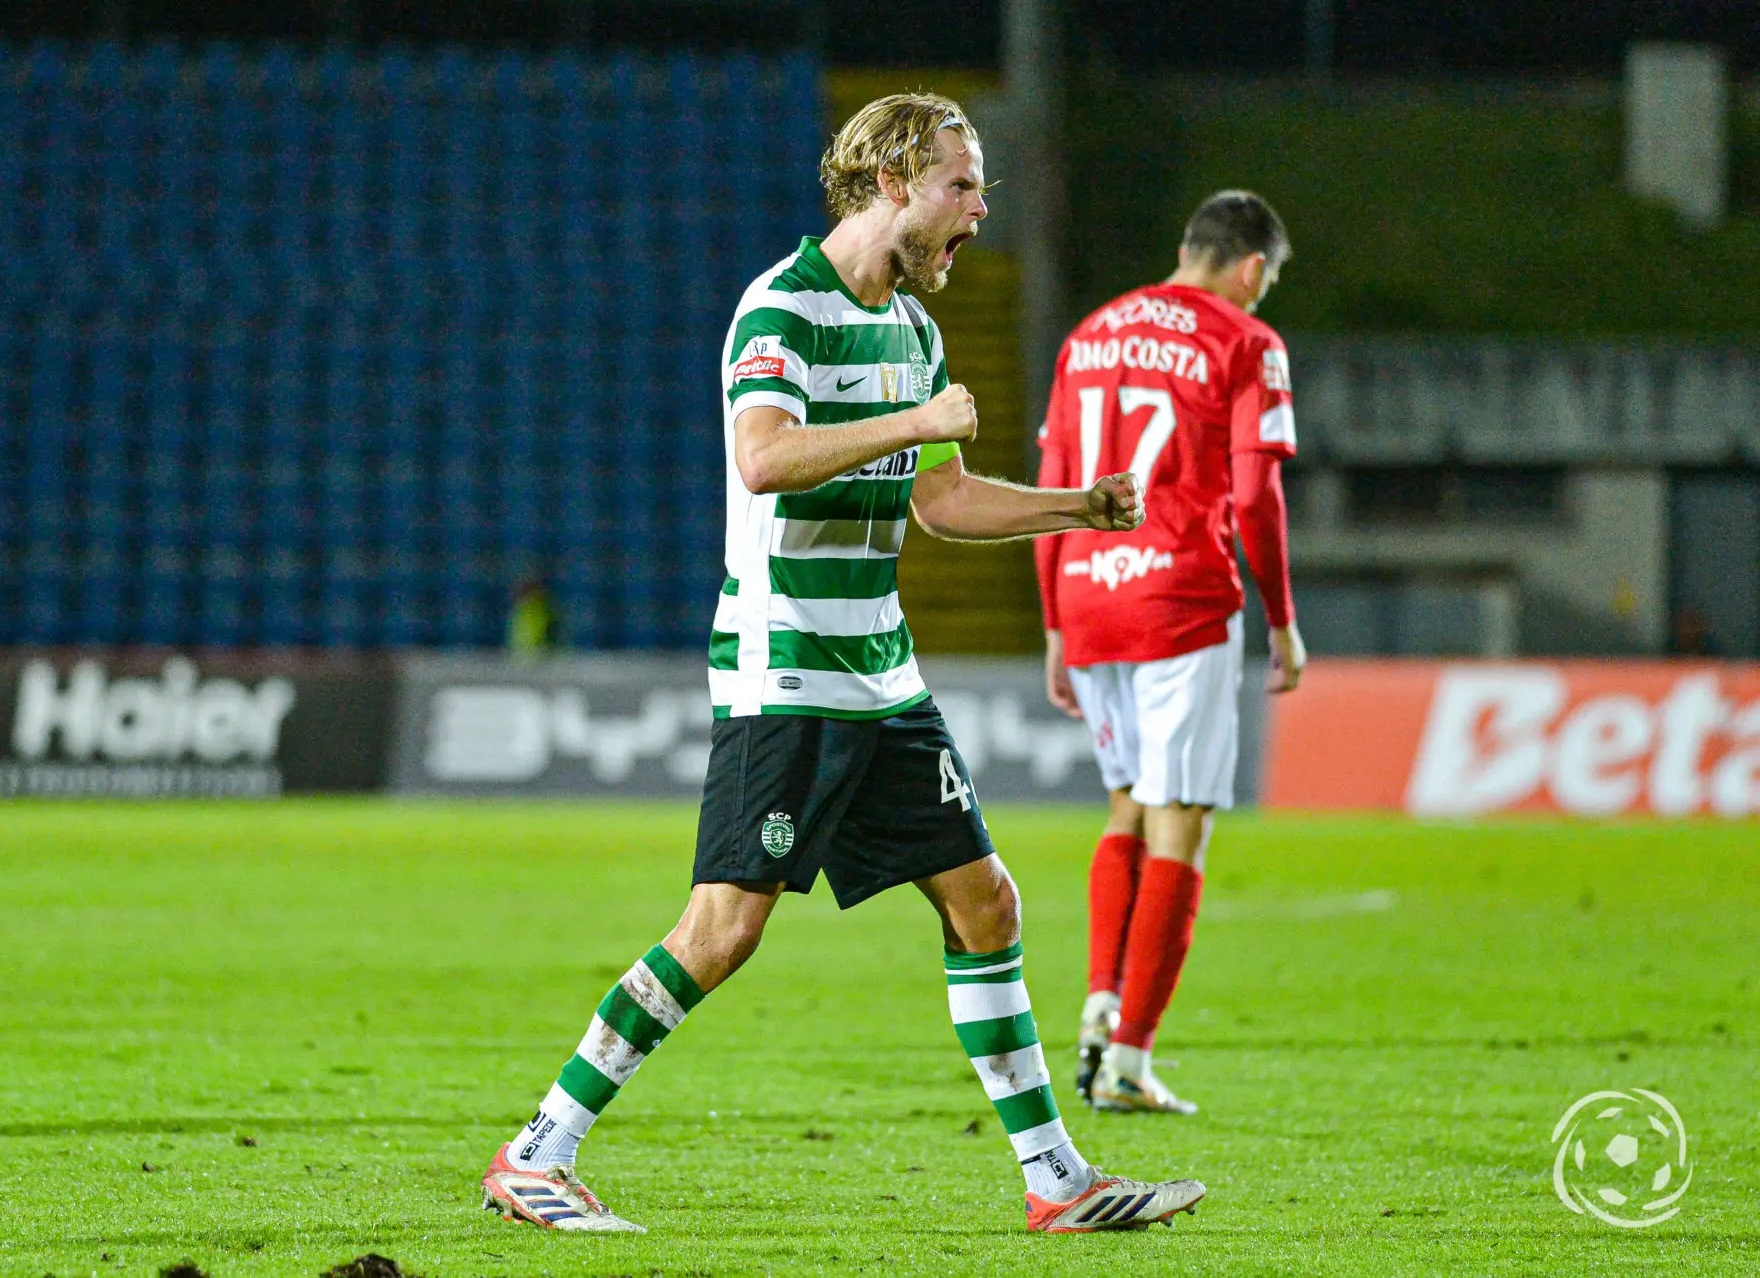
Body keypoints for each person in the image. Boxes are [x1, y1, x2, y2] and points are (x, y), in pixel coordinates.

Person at [482, 93, 1206, 1235]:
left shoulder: (911, 330)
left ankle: (1058, 1183)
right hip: (788, 672)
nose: (979, 211)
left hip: (883, 676)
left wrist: (1078, 506)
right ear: (891, 183)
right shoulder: (784, 308)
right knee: (721, 933)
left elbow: (943, 501)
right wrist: (911, 425)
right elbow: (764, 458)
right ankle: (537, 1154)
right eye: (962, 186)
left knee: (986, 902)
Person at [1034, 190, 1306, 1116]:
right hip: (1180, 598)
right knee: (1180, 819)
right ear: (1252, 268)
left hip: (1088, 594)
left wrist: (1055, 621)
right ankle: (1129, 1058)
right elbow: (1255, 495)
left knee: (1127, 805)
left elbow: (1054, 485)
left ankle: (1099, 1007)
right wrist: (1282, 618)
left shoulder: (1089, 333)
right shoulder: (1246, 341)